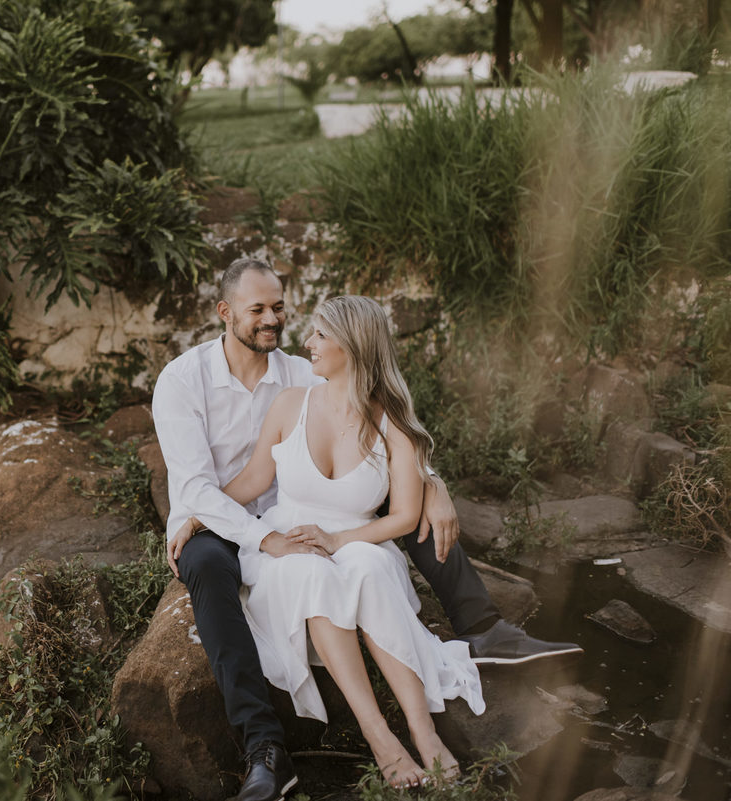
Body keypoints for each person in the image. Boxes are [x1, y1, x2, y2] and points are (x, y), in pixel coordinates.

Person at [151, 258, 581, 801]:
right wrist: (243, 531)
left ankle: (483, 625)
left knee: (405, 519)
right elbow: (203, 489)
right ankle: (265, 747)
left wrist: (432, 483)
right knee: (212, 568)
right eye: (258, 309)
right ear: (225, 312)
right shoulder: (183, 381)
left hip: (305, 510)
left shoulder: (301, 372)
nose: (274, 320)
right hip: (219, 517)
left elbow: (380, 421)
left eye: (279, 308)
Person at [178, 294, 485, 788]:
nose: (308, 342)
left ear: (353, 345)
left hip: (361, 537)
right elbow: (255, 480)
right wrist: (199, 514)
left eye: (321, 334)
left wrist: (340, 538)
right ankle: (380, 738)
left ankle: (424, 733)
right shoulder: (291, 404)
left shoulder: (393, 423)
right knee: (308, 570)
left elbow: (405, 517)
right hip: (292, 541)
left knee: (366, 568)